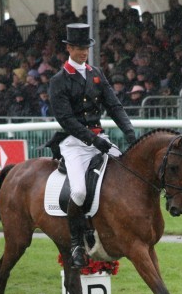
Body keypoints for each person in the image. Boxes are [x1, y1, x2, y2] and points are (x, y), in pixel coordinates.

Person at [49, 23, 136, 269]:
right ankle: (76, 243)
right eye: (78, 48)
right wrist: (93, 139)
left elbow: (114, 105)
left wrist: (129, 133)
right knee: (78, 192)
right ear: (69, 48)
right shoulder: (59, 81)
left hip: (100, 139)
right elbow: (65, 119)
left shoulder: (95, 73)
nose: (83, 52)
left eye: (85, 47)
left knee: (127, 173)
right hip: (75, 143)